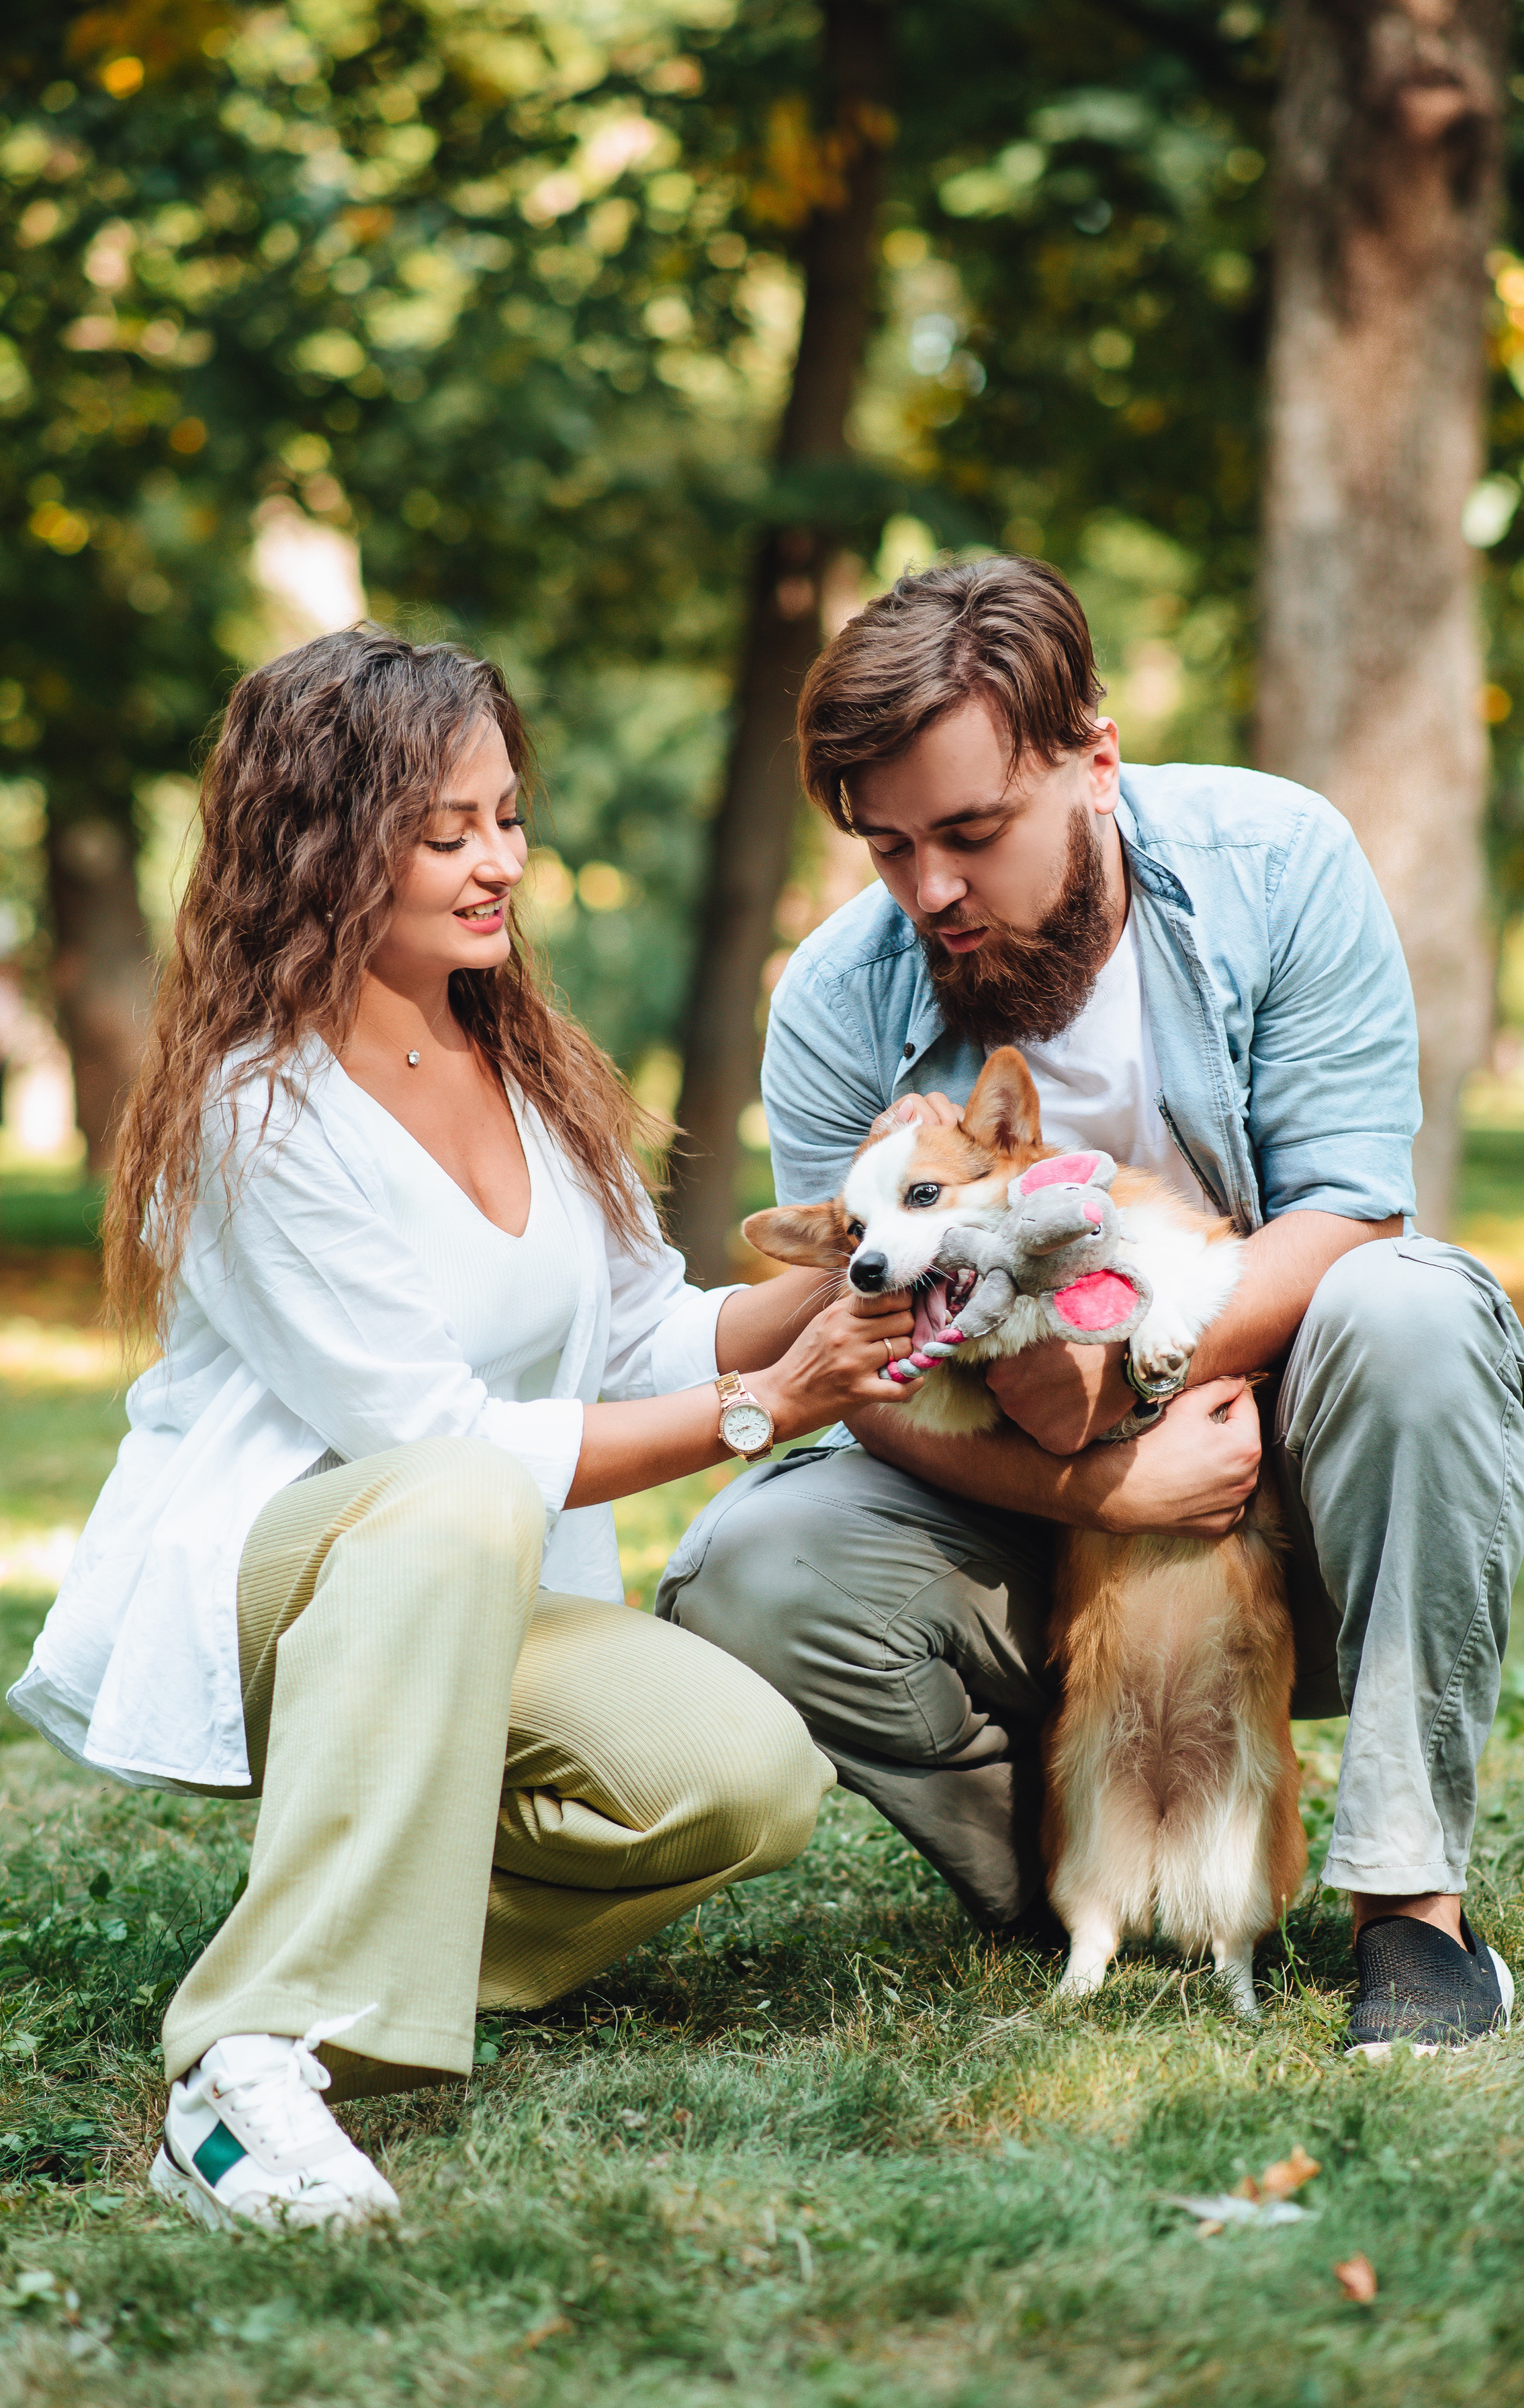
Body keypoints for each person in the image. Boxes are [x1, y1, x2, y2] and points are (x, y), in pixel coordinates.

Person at [7, 627, 919, 2233]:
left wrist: (852, 1246)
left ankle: (363, 1993)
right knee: (455, 1490)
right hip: (293, 1575)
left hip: (472, 1562)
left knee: (746, 1776)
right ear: (325, 850)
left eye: (506, 815)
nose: (499, 860)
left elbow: (645, 1324)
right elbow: (437, 1439)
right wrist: (760, 1412)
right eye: (447, 832)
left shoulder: (521, 1054)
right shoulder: (257, 1107)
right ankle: (240, 2068)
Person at [660, 557, 1524, 2053]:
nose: (929, 891)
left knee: (1418, 1310)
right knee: (747, 1565)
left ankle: (1407, 1912)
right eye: (886, 850)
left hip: (1294, 1496)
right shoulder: (831, 996)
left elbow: (1349, 1204)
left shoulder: (1277, 859)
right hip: (1038, 1531)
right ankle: (1082, 1866)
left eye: (970, 833)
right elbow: (864, 1367)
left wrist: (1135, 1385)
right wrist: (1103, 1481)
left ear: (1093, 760)